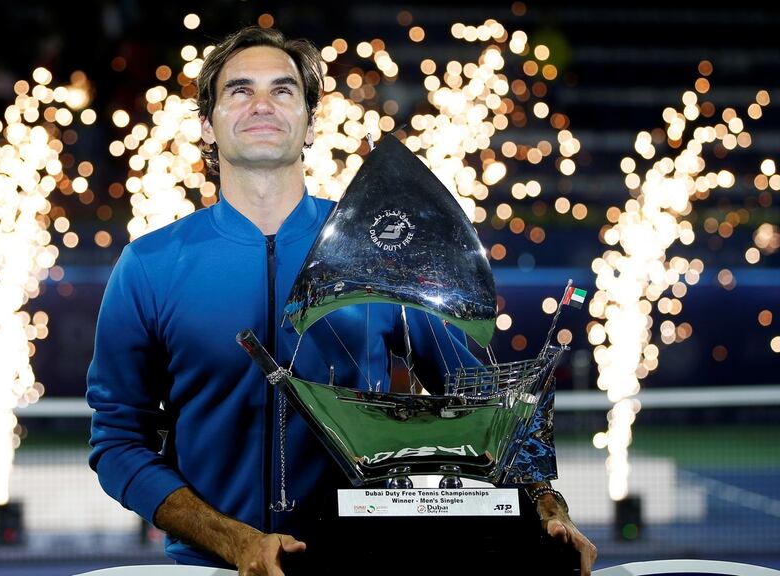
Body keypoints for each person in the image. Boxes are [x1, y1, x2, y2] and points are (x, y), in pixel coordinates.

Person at [87, 25, 597, 576]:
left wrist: (549, 507)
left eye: (284, 91)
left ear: (309, 122)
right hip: (206, 568)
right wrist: (234, 543)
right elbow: (118, 444)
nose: (263, 105)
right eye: (240, 90)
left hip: (359, 564)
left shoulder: (383, 249)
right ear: (207, 125)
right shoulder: (150, 265)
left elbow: (489, 415)